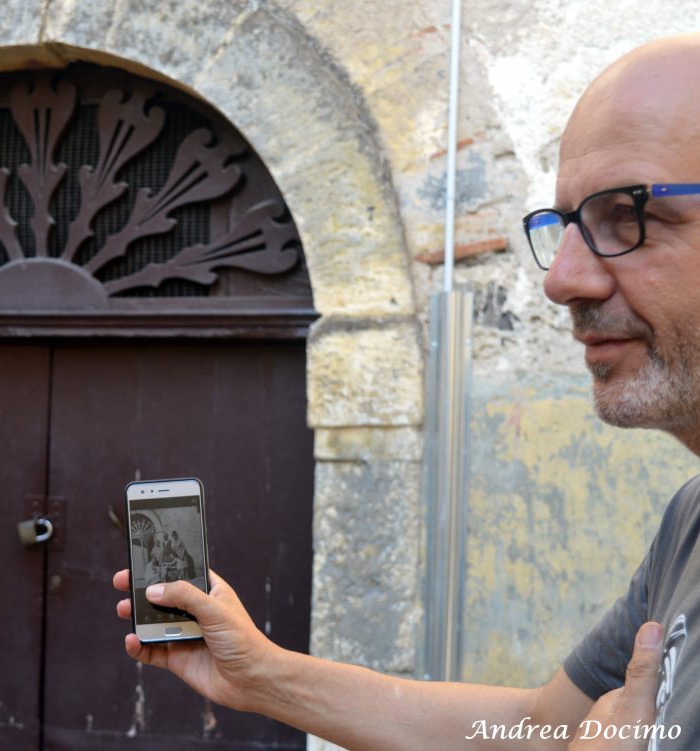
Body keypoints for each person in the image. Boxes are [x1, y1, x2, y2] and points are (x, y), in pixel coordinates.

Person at [115, 33, 700, 750]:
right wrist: (262, 674)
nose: (560, 279)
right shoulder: (688, 523)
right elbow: (536, 729)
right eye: (569, 224)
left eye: (628, 215)